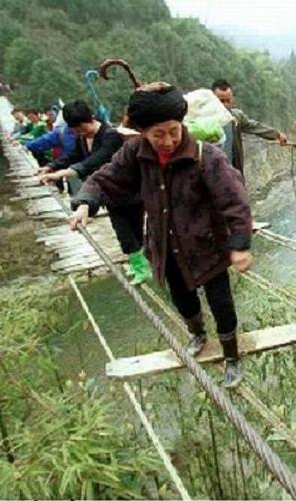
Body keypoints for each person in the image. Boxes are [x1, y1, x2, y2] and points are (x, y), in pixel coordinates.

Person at [69, 83, 253, 387]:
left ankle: (231, 355)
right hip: (165, 246)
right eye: (158, 134)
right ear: (142, 132)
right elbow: (105, 178)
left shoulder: (205, 156)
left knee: (221, 304)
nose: (167, 141)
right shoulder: (135, 153)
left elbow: (235, 201)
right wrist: (86, 203)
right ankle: (197, 335)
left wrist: (240, 244)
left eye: (173, 131)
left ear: (182, 124)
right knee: (181, 297)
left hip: (208, 246)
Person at [39, 100, 151, 285]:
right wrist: (51, 166)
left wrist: (64, 173)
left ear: (90, 118)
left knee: (133, 229)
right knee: (123, 230)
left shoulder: (110, 136)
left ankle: (141, 266)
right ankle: (138, 264)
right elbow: (74, 155)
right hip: (107, 192)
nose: (80, 133)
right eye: (76, 130)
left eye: (82, 128)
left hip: (128, 190)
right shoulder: (82, 137)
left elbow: (96, 160)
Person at [211, 79, 288, 176]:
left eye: (228, 100)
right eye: (221, 101)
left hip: (232, 174)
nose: (225, 105)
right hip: (211, 175)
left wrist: (277, 134)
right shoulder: (203, 121)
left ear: (232, 99)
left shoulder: (236, 117)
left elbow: (255, 127)